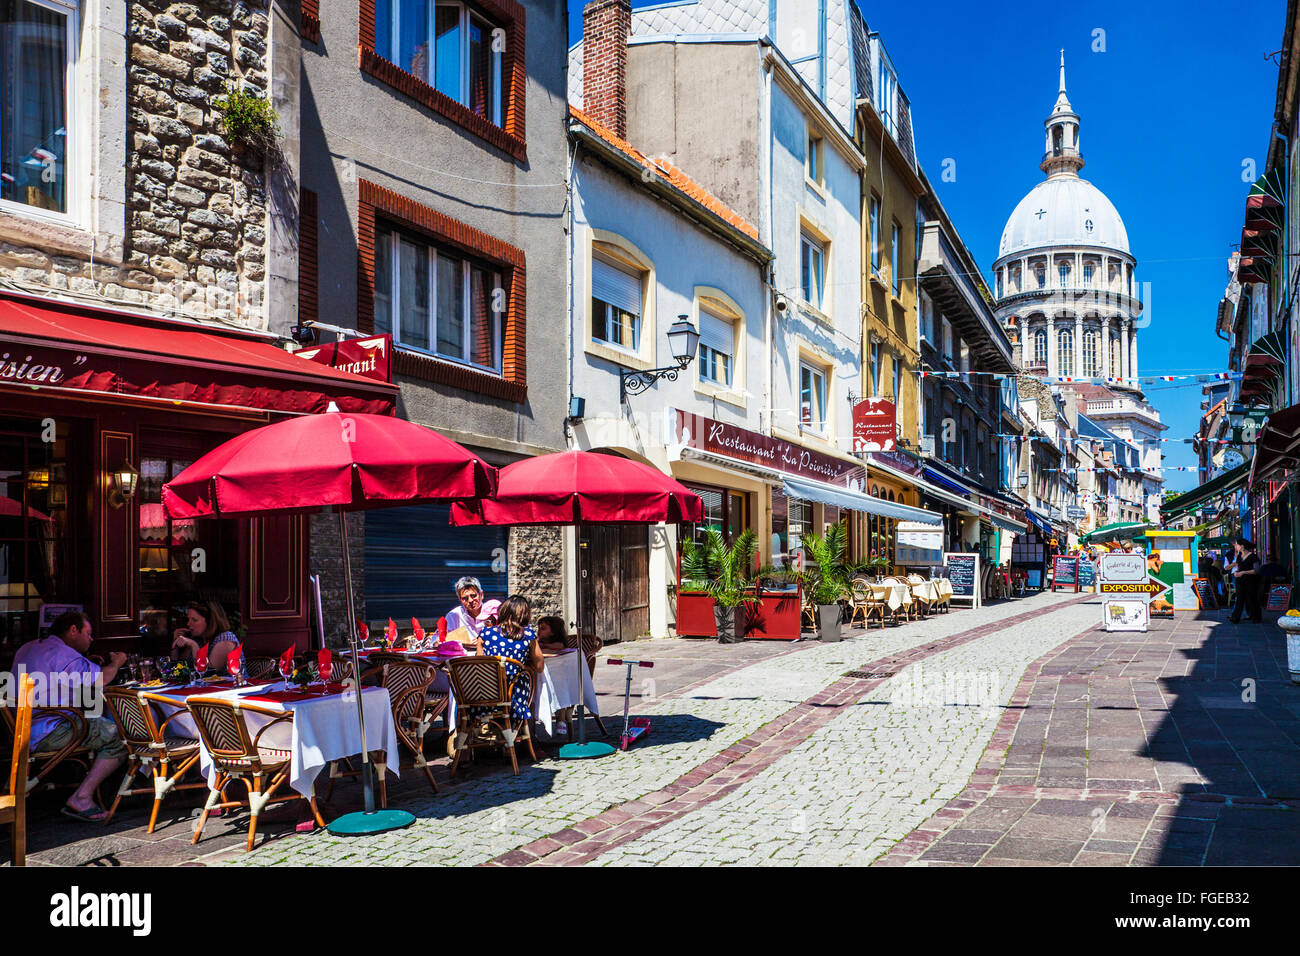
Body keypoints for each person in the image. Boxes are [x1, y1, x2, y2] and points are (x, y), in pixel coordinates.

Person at [13, 611, 127, 821]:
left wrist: (86, 663)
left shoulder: (27, 647)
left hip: (22, 730)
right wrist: (117, 663)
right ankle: (82, 797)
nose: (91, 639)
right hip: (51, 730)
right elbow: (102, 679)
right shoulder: (63, 654)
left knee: (98, 720)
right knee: (121, 735)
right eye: (88, 633)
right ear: (73, 630)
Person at [470, 595, 543, 724]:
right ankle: (519, 732)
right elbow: (539, 667)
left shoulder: (485, 633)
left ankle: (490, 727)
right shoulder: (528, 635)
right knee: (527, 678)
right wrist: (525, 666)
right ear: (525, 615)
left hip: (487, 694)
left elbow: (479, 664)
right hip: (515, 695)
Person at [170, 601, 240, 674]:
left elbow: (208, 673)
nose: (188, 624)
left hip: (233, 684)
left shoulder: (226, 638)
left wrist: (194, 646)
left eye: (194, 620)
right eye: (188, 619)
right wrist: (175, 644)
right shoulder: (198, 638)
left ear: (210, 621)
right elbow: (179, 668)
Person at [1229, 538, 1262, 624]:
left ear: (1242, 546)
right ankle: (1235, 617)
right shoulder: (1239, 556)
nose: (1236, 546)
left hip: (1251, 581)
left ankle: (1256, 617)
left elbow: (1256, 570)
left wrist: (1243, 572)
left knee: (1252, 599)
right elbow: (1239, 567)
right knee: (1239, 599)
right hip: (1240, 581)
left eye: (1237, 545)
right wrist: (1237, 572)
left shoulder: (1253, 557)